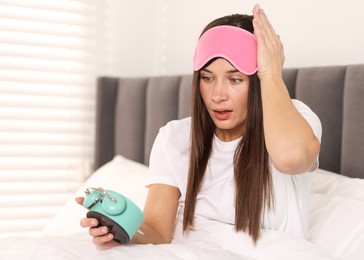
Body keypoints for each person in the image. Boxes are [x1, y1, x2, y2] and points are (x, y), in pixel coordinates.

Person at [77, 4, 321, 250]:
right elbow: (157, 232)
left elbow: (291, 157)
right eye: (207, 78)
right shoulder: (175, 137)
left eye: (235, 79)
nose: (217, 95)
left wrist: (271, 73)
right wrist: (121, 226)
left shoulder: (295, 119)